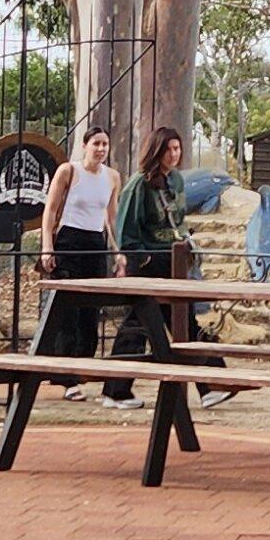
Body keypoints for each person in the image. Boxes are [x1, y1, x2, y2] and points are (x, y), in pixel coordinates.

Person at [105, 126, 191, 400]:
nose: (174, 154)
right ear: (157, 151)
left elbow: (179, 219)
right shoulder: (138, 185)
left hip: (173, 259)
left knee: (184, 319)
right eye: (169, 149)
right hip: (147, 262)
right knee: (138, 325)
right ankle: (115, 390)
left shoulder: (176, 180)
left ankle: (211, 383)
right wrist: (143, 258)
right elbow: (127, 228)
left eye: (177, 148)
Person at [40, 127, 118, 376]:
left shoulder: (113, 177)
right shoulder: (69, 171)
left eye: (105, 144)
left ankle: (84, 366)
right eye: (96, 143)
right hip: (69, 239)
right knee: (67, 308)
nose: (101, 149)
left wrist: (118, 251)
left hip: (95, 242)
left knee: (90, 308)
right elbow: (50, 210)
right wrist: (47, 247)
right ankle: (63, 371)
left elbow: (111, 218)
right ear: (85, 145)